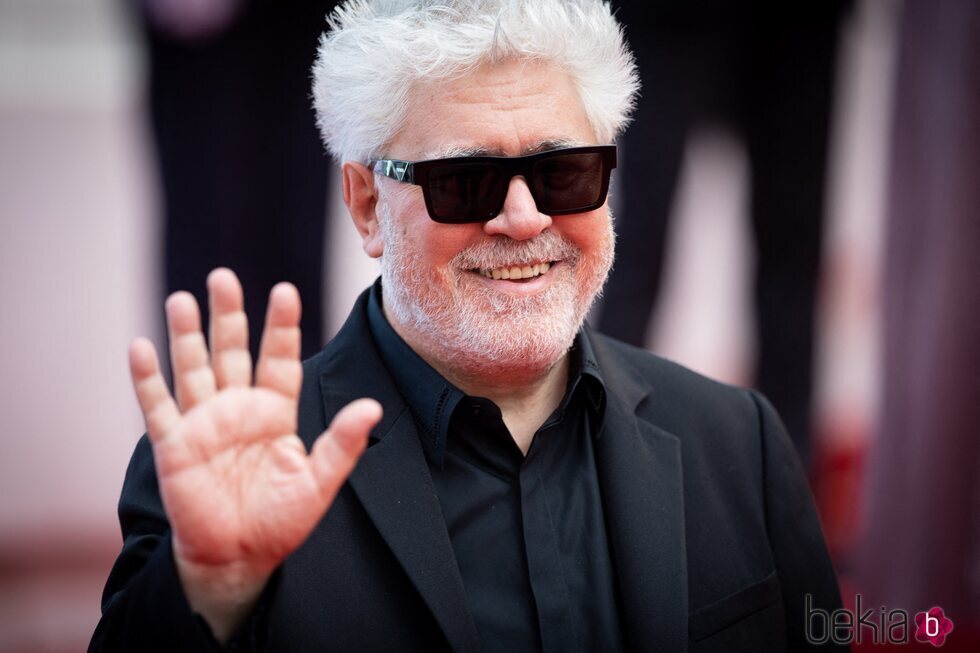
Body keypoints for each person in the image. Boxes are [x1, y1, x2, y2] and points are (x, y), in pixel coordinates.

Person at [91, 1, 844, 651]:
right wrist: (211, 589)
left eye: (564, 172)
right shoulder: (230, 472)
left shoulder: (739, 443)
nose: (523, 217)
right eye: (465, 182)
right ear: (364, 204)